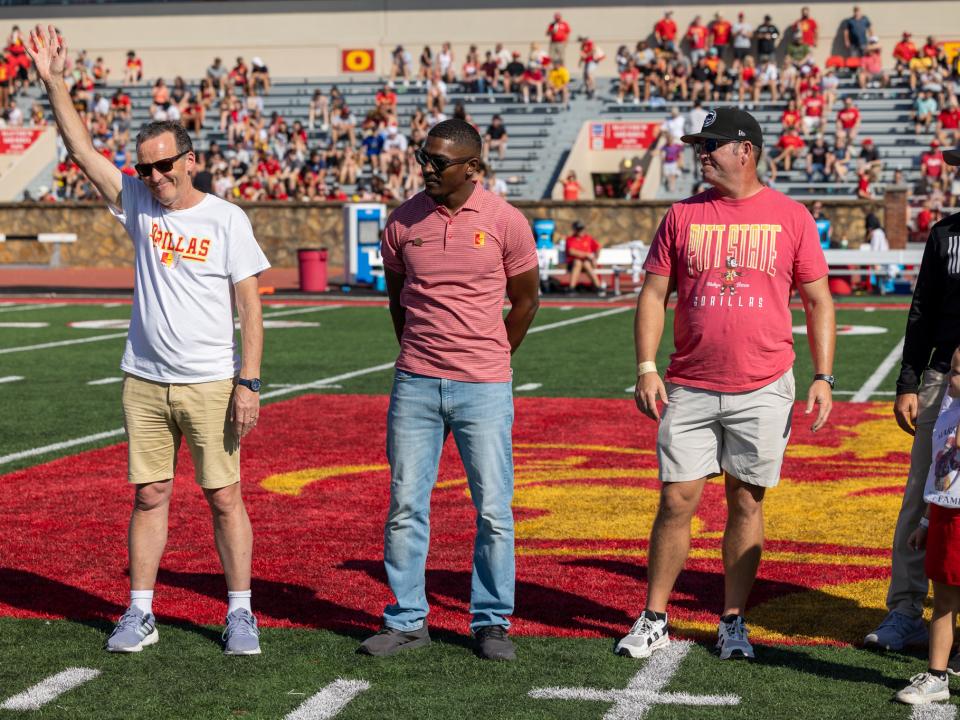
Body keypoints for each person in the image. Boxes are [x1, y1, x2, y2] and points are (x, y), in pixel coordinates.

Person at [26, 26, 268, 655]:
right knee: (150, 493)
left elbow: (250, 306)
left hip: (213, 380)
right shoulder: (136, 202)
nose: (156, 175)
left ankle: (239, 613)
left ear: (191, 159)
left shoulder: (226, 218)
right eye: (146, 167)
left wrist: (249, 382)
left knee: (224, 497)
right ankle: (140, 612)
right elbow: (81, 149)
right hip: (145, 377)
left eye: (166, 164)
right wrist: (55, 82)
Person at [615, 106, 835, 661]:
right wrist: (645, 366)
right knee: (676, 499)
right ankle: (655, 614)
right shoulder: (681, 215)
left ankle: (733, 619)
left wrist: (824, 375)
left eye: (711, 143)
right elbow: (652, 295)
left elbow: (817, 300)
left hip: (764, 383)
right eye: (698, 144)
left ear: (746, 149)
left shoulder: (791, 216)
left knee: (746, 501)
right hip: (689, 381)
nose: (701, 153)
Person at [359, 119, 540, 662]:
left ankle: (490, 623)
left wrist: (491, 356)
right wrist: (419, 354)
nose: (427, 169)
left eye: (439, 161)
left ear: (473, 167)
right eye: (424, 158)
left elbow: (527, 301)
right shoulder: (403, 221)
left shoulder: (506, 222)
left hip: (483, 385)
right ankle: (408, 619)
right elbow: (397, 299)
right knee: (405, 506)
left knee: (493, 511)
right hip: (415, 381)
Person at [863, 142, 960, 652]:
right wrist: (907, 381)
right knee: (922, 494)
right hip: (943, 383)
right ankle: (905, 609)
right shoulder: (944, 235)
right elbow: (922, 309)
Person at [894, 348, 960, 705]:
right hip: (947, 514)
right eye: (952, 370)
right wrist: (925, 519)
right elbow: (941, 471)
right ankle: (937, 676)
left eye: (959, 373)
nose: (952, 379)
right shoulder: (948, 410)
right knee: (945, 600)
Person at [565, 220, 603, 294]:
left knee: (586, 263)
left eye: (582, 229)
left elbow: (598, 247)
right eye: (579, 230)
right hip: (573, 265)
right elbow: (571, 251)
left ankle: (598, 287)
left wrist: (595, 258)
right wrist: (587, 255)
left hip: (586, 264)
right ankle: (572, 288)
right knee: (578, 262)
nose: (581, 231)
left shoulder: (588, 238)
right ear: (575, 230)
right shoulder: (570, 239)